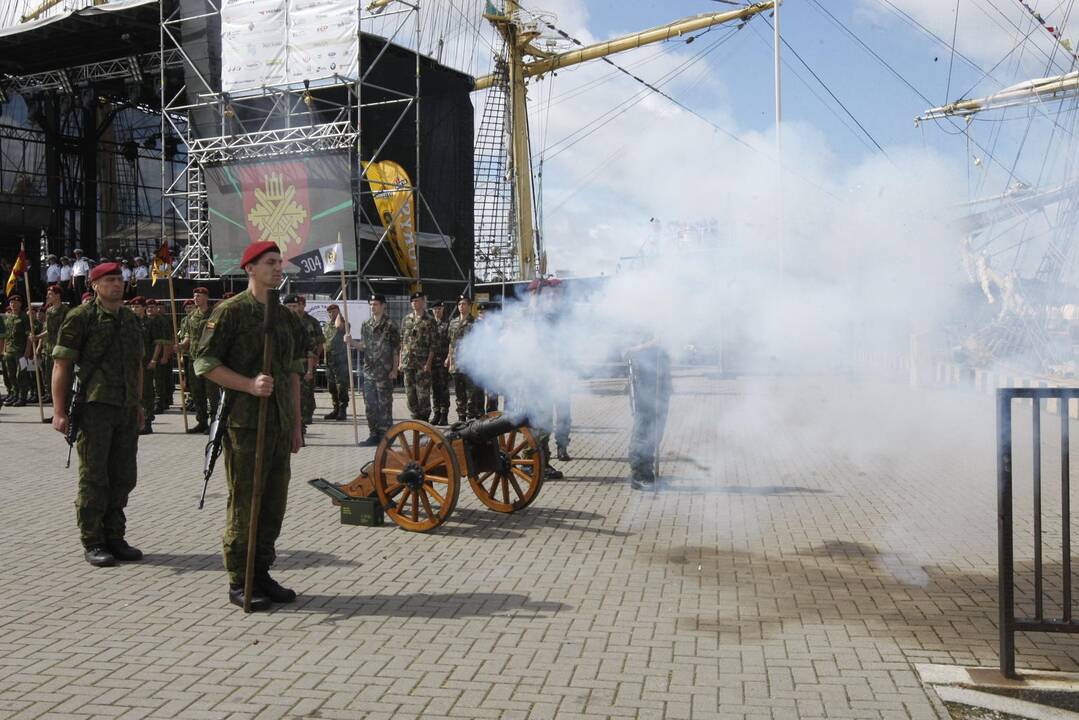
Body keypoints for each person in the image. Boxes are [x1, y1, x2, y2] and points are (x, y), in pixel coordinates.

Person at [194, 241, 305, 611]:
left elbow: (292, 373)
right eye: (270, 263)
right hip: (245, 425)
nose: (277, 268)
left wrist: (295, 424)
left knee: (274, 503)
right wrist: (249, 385)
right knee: (246, 501)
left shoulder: (285, 317)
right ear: (250, 269)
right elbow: (205, 363)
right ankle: (240, 579)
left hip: (278, 424)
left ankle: (261, 572)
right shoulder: (230, 313)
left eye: (279, 263)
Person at [50, 262, 146, 566]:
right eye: (110, 280)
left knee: (123, 475)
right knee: (94, 476)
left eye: (120, 279)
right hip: (94, 407)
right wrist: (59, 411)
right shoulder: (81, 318)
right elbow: (61, 365)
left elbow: (137, 365)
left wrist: (139, 404)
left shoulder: (130, 319)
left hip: (125, 408)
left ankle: (115, 536)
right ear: (95, 285)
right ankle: (93, 540)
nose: (117, 284)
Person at [624, 336, 672, 491]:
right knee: (643, 429)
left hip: (660, 382)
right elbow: (626, 352)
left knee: (657, 429)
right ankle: (638, 475)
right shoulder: (633, 325)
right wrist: (651, 344)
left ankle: (647, 471)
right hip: (643, 384)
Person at [358, 294, 399, 445]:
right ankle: (373, 434)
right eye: (371, 304)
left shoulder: (390, 325)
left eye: (375, 304)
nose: (372, 307)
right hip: (369, 371)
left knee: (384, 405)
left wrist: (395, 370)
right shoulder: (366, 324)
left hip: (385, 372)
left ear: (383, 306)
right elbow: (363, 346)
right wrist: (351, 343)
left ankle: (386, 436)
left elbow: (396, 349)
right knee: (370, 405)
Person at [177, 287, 217, 433]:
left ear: (206, 297)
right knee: (196, 392)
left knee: (211, 393)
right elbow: (188, 335)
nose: (196, 299)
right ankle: (202, 421)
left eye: (199, 296)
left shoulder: (213, 314)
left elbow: (214, 334)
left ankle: (214, 422)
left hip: (209, 359)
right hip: (194, 359)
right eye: (195, 296)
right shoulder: (191, 316)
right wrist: (181, 345)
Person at [284, 294, 322, 428]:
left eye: (295, 306)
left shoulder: (304, 325)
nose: (293, 309)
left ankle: (301, 423)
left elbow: (311, 349)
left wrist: (310, 369)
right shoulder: (278, 323)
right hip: (283, 369)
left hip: (301, 367)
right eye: (290, 306)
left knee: (303, 396)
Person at [399, 291, 436, 422]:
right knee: (410, 392)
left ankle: (424, 419)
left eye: (418, 301)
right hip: (408, 362)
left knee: (423, 393)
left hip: (422, 363)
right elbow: (402, 341)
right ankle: (415, 417)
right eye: (413, 301)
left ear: (423, 303)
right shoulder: (406, 319)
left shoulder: (430, 320)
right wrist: (400, 361)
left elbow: (433, 344)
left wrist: (429, 363)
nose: (415, 303)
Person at [446, 294, 483, 421]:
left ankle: (471, 417)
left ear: (470, 306)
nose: (461, 306)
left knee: (471, 394)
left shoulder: (476, 323)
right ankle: (461, 417)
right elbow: (451, 343)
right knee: (459, 393)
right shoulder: (453, 323)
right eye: (459, 304)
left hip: (470, 364)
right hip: (457, 364)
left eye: (464, 304)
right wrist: (450, 361)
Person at [128, 297, 156, 434]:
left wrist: (154, 360)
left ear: (144, 308)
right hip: (133, 361)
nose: (134, 310)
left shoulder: (149, 323)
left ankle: (148, 420)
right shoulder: (130, 323)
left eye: (137, 307)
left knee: (146, 391)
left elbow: (157, 343)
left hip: (146, 360)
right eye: (132, 307)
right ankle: (137, 421)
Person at [38, 284, 68, 402]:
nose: (47, 296)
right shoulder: (49, 311)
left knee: (60, 380)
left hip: (60, 348)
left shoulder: (65, 311)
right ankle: (55, 409)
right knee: (49, 377)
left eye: (50, 294)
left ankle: (64, 410)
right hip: (49, 348)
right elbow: (49, 330)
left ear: (58, 295)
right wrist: (37, 337)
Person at [1, 295, 32, 406]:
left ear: (20, 304)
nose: (13, 305)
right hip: (9, 351)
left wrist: (27, 351)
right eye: (11, 303)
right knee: (11, 374)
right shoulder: (8, 317)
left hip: (20, 351)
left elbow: (29, 335)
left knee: (21, 375)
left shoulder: (24, 317)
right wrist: (4, 350)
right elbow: (6, 336)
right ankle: (15, 394)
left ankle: (22, 397)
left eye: (15, 303)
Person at [321, 304, 350, 421]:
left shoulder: (344, 324)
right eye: (330, 312)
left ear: (338, 312)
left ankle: (343, 410)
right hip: (329, 361)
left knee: (341, 386)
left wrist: (339, 316)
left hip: (340, 361)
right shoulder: (327, 325)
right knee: (332, 386)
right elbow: (325, 341)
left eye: (334, 312)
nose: (331, 314)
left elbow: (339, 327)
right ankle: (336, 408)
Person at [430, 300, 452, 425]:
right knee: (434, 389)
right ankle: (436, 413)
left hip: (443, 361)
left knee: (443, 388)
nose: (437, 311)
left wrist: (449, 358)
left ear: (443, 310)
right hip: (432, 362)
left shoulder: (448, 324)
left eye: (439, 309)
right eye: (435, 309)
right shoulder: (429, 324)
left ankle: (444, 415)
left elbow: (451, 343)